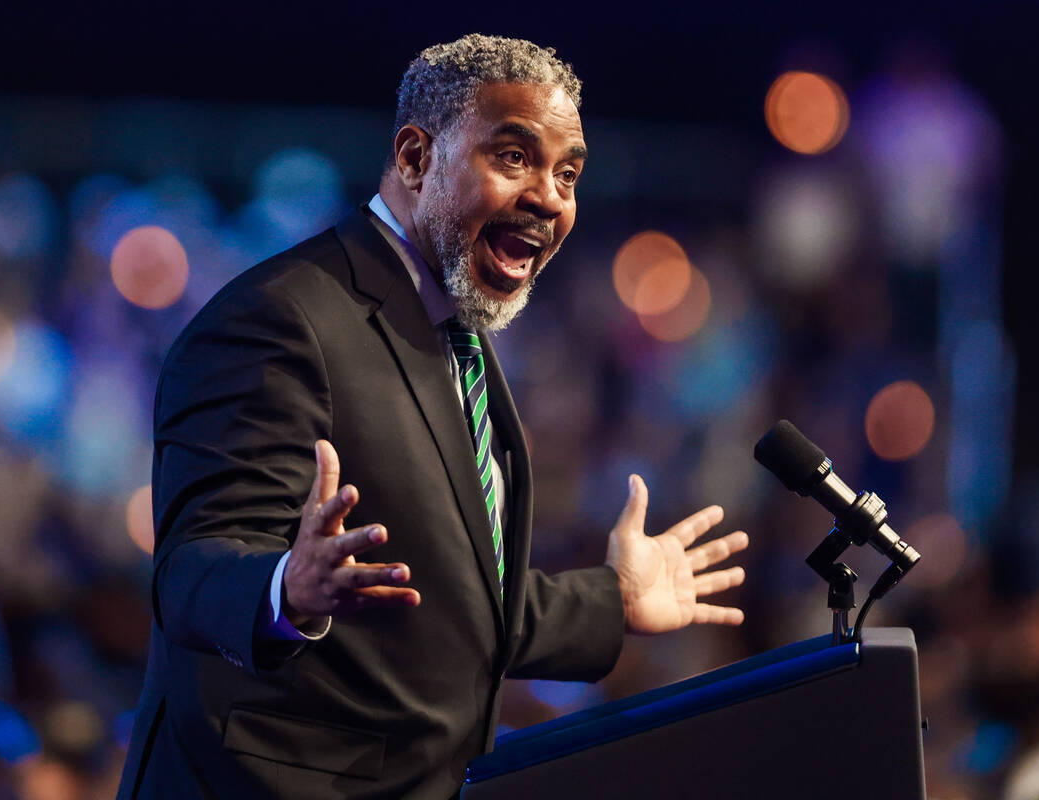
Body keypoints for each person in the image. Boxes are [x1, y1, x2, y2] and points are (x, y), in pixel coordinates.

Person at [116, 34, 749, 800]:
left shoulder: (461, 340)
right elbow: (190, 570)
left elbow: (449, 598)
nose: (549, 195)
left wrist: (611, 601)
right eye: (514, 157)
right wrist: (285, 587)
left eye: (568, 173)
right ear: (416, 158)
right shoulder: (278, 320)